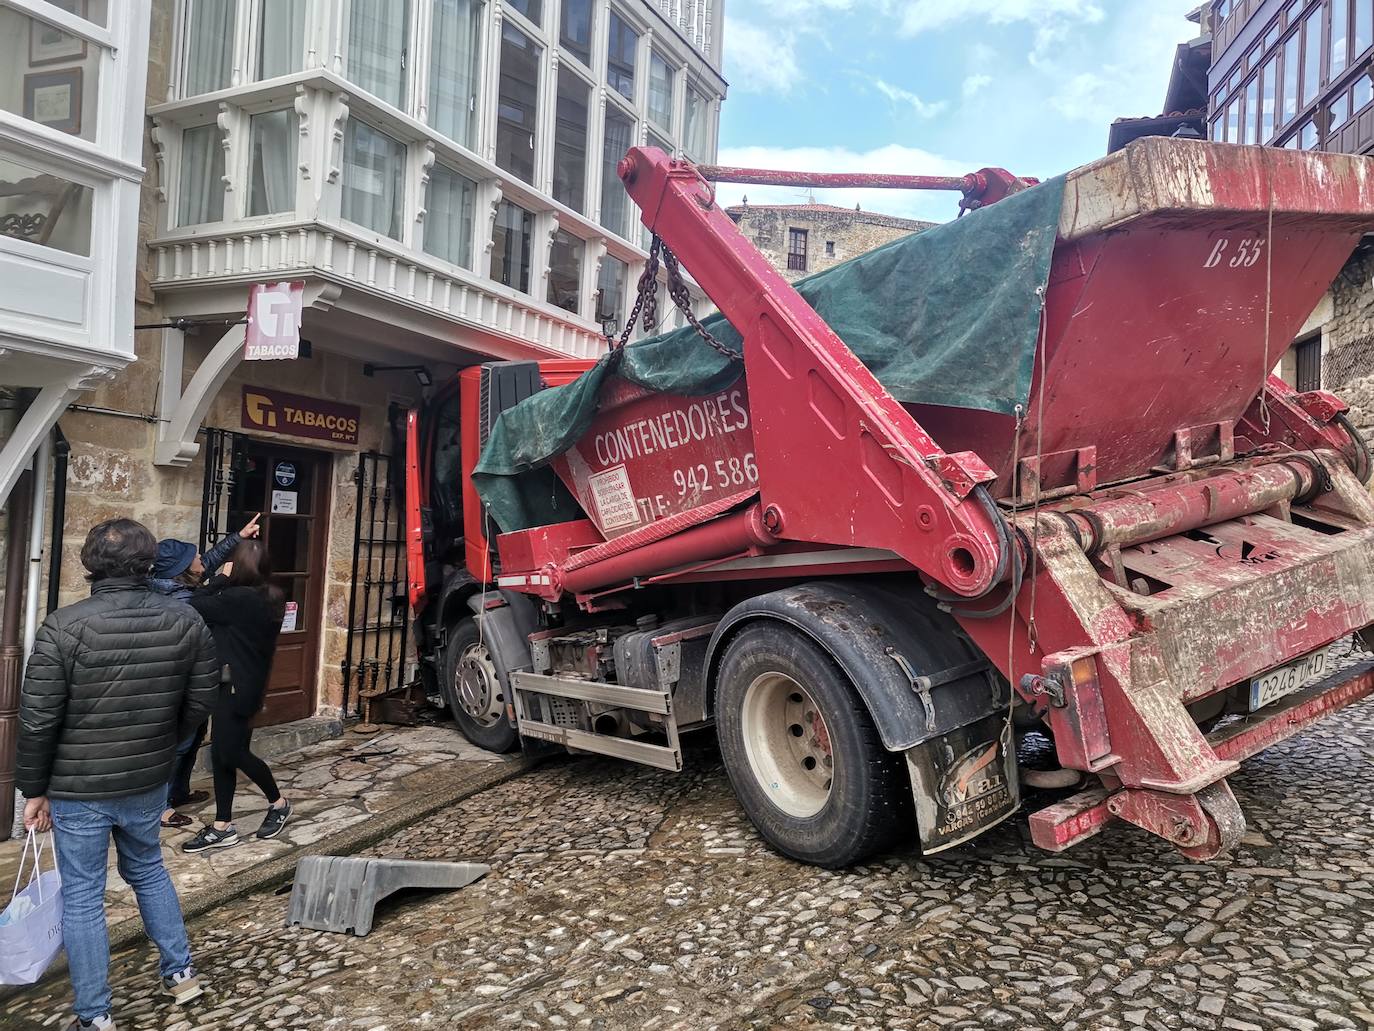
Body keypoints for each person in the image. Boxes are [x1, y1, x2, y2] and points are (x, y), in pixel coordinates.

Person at [18, 519, 220, 1031]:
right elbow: (199, 701)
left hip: (79, 784)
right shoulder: (184, 620)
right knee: (148, 869)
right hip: (143, 775)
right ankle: (180, 974)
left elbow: (38, 718)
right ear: (148, 564)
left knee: (85, 894)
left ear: (90, 563)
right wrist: (163, 743)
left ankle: (95, 1013)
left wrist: (33, 790)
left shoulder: (63, 626)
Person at [152, 514, 262, 829]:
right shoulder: (181, 599)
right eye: (195, 558)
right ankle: (161, 807)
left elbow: (208, 561)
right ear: (183, 569)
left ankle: (179, 792)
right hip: (180, 683)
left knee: (194, 735)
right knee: (177, 744)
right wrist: (221, 581)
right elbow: (206, 597)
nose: (202, 558)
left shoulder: (178, 581)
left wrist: (238, 536)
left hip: (196, 681)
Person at [183, 538, 292, 853]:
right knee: (222, 754)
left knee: (231, 753)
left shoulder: (236, 599)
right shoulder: (271, 596)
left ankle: (279, 802)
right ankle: (222, 824)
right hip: (248, 684)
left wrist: (219, 577)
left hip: (234, 687)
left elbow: (194, 602)